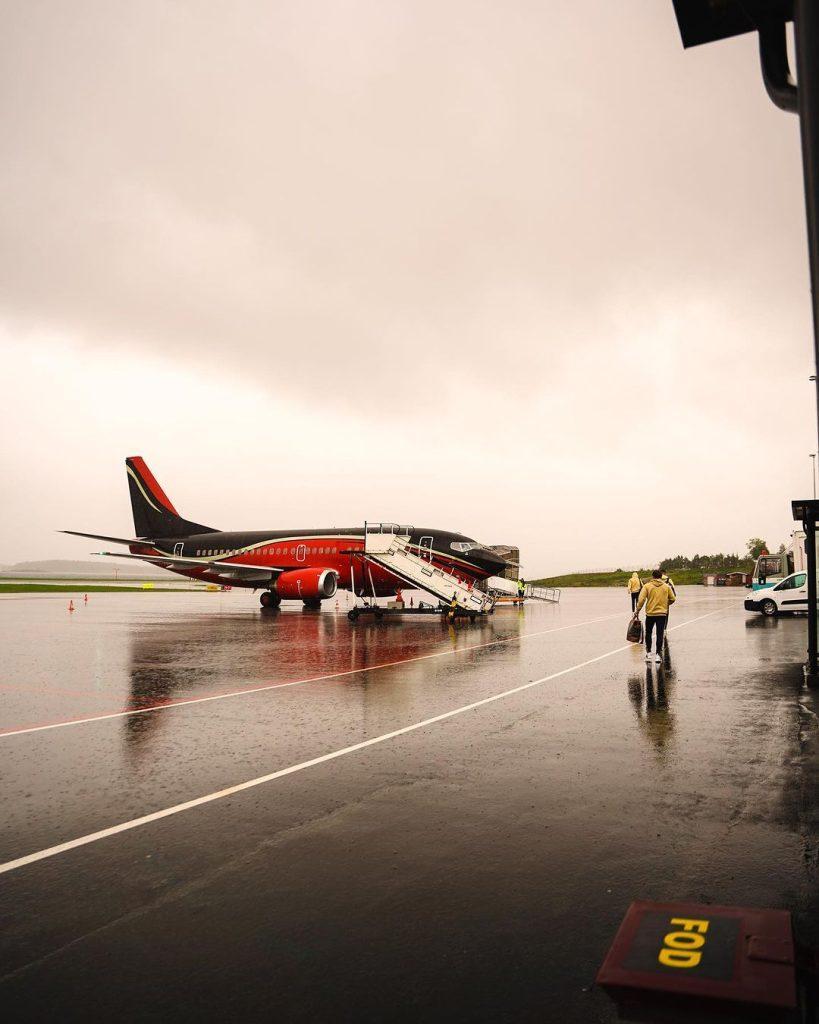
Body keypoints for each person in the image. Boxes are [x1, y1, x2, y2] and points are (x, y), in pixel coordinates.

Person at [635, 569, 676, 663]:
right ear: (661, 576)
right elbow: (673, 598)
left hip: (650, 614)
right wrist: (666, 604)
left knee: (648, 633)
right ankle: (658, 655)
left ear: (652, 576)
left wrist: (637, 611)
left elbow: (641, 600)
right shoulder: (666, 586)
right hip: (662, 614)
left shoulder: (647, 586)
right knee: (659, 634)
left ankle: (649, 653)